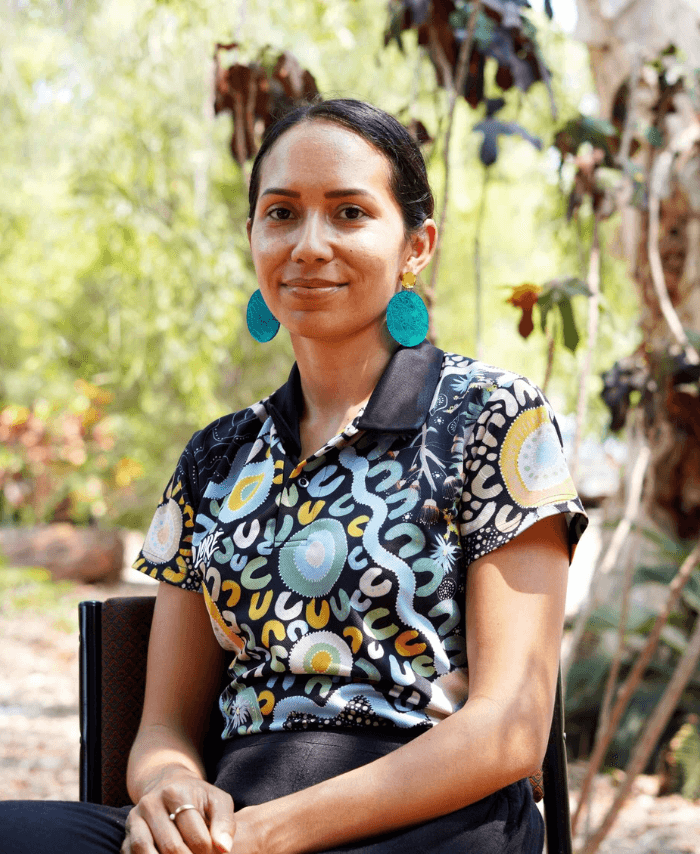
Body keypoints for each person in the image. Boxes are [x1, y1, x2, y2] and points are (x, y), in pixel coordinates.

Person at [2, 99, 587, 854]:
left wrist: (270, 836)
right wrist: (170, 788)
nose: (310, 245)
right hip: (233, 824)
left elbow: (509, 731)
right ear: (253, 238)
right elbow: (163, 727)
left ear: (417, 245)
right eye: (281, 214)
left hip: (427, 822)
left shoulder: (492, 418)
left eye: (349, 213)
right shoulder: (215, 457)